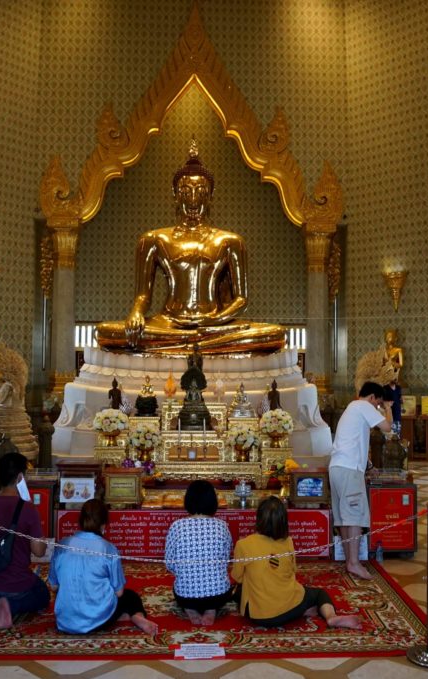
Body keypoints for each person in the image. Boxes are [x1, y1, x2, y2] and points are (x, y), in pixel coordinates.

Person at [95, 142, 285, 354]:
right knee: (106, 332)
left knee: (273, 334)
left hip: (215, 323)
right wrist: (136, 314)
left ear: (210, 196)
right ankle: (195, 344)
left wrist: (214, 319)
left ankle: (188, 344)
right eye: (186, 191)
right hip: (169, 323)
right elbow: (143, 296)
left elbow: (241, 299)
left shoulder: (230, 241)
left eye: (201, 191)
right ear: (175, 195)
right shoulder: (154, 239)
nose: (193, 200)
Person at [232, 496, 361, 629]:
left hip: (258, 617)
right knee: (319, 594)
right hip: (289, 607)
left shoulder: (243, 544)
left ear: (258, 519)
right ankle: (330, 617)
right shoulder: (288, 541)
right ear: (283, 521)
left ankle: (302, 611)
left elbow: (237, 577)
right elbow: (292, 570)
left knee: (238, 591)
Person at [48, 498, 159, 636]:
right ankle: (137, 617)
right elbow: (119, 592)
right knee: (130, 597)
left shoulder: (62, 545)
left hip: (65, 621)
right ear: (103, 524)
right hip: (98, 620)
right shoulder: (108, 549)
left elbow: (54, 586)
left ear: (80, 521)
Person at [0, 451, 49, 629]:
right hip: (15, 583)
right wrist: (44, 540)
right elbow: (39, 551)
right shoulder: (28, 509)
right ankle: (10, 606)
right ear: (20, 477)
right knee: (42, 595)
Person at [328, 381, 392, 580]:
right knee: (354, 516)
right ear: (372, 397)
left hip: (337, 467)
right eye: (378, 404)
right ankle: (354, 563)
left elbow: (355, 442)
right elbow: (387, 427)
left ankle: (350, 561)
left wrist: (369, 466)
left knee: (345, 517)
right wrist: (388, 408)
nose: (377, 408)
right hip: (348, 470)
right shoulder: (364, 406)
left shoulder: (351, 407)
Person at [164, 480, 234, 625]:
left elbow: (169, 564)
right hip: (219, 594)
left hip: (185, 594)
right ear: (213, 501)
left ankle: (190, 608)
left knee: (183, 591)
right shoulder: (222, 526)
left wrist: (188, 573)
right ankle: (211, 608)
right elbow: (226, 559)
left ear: (188, 500)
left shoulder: (177, 526)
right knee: (219, 590)